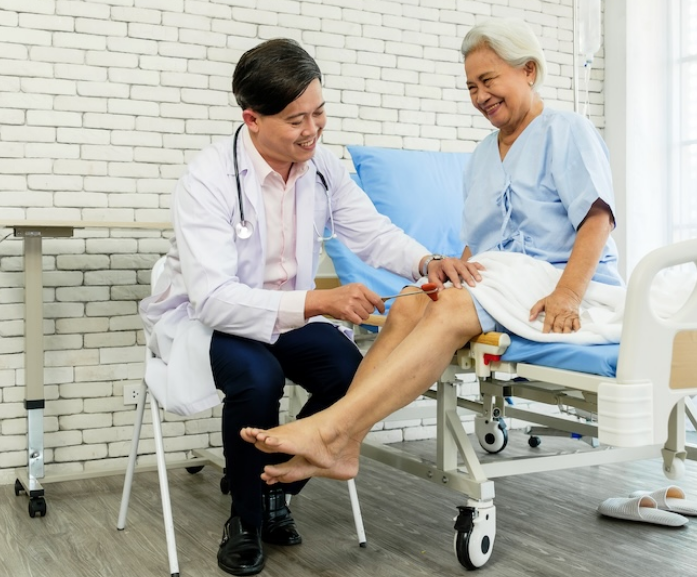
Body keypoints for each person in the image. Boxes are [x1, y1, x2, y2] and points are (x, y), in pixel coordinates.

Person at [138, 38, 479, 576]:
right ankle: (246, 518)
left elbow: (371, 234)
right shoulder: (207, 180)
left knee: (355, 374)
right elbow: (215, 298)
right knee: (257, 378)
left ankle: (277, 485)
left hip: (288, 315)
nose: (313, 129)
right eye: (296, 119)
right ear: (251, 119)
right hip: (216, 319)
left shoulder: (322, 168)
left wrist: (425, 261)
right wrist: (321, 300)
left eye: (319, 112)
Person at [240, 18, 621, 486]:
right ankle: (346, 445)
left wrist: (568, 295)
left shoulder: (568, 130)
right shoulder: (482, 155)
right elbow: (479, 243)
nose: (480, 96)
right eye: (471, 87)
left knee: (452, 306)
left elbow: (597, 219)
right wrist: (444, 272)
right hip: (508, 279)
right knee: (417, 299)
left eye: (488, 81)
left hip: (559, 282)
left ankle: (332, 429)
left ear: (528, 70)